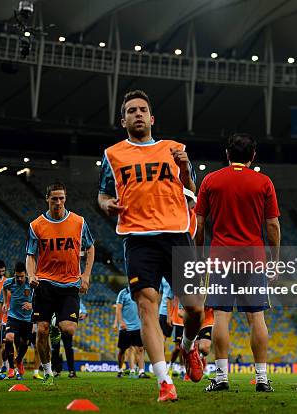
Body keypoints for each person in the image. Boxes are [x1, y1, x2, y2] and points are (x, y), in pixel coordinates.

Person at [98, 90, 204, 402]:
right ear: (124, 120)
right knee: (146, 305)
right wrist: (107, 205)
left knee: (195, 308)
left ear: (152, 117)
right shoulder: (113, 155)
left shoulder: (175, 149)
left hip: (176, 234)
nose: (138, 114)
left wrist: (184, 170)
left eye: (143, 109)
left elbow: (192, 190)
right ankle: (164, 382)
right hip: (137, 238)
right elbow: (103, 193)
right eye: (131, 111)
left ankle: (187, 348)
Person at [194, 133, 280, 393]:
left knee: (221, 316)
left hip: (220, 258)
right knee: (257, 317)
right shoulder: (263, 182)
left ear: (228, 155)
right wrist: (274, 259)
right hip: (253, 259)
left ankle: (221, 377)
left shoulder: (211, 180)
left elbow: (198, 223)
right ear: (252, 156)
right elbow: (273, 224)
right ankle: (262, 378)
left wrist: (199, 256)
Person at [26, 182, 95, 386]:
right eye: (54, 198)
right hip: (45, 283)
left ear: (66, 198)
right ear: (47, 198)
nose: (58, 202)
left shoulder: (79, 222)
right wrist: (31, 275)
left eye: (62, 198)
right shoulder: (36, 225)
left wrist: (86, 275)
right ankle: (47, 372)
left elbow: (90, 249)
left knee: (69, 330)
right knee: (41, 330)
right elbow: (30, 255)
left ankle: (58, 325)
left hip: (70, 284)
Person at [0, 262, 32, 380]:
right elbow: (4, 288)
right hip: (13, 316)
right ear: (14, 275)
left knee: (25, 342)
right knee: (9, 338)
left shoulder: (31, 283)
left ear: (25, 274)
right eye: (17, 276)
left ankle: (19, 360)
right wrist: (6, 303)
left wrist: (32, 304)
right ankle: (11, 368)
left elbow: (39, 296)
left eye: (22, 276)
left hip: (27, 319)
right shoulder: (9, 282)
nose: (20, 279)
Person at [114, 286, 148, 379]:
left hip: (138, 326)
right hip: (126, 327)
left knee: (140, 349)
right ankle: (120, 370)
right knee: (122, 350)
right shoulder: (123, 293)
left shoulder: (140, 292)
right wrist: (121, 322)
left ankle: (141, 372)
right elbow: (118, 308)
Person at [51, 298, 88, 378]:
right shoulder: (54, 291)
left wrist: (83, 313)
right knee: (55, 349)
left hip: (67, 324)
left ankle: (71, 371)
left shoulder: (71, 294)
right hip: (55, 325)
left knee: (68, 348)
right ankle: (56, 371)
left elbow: (79, 305)